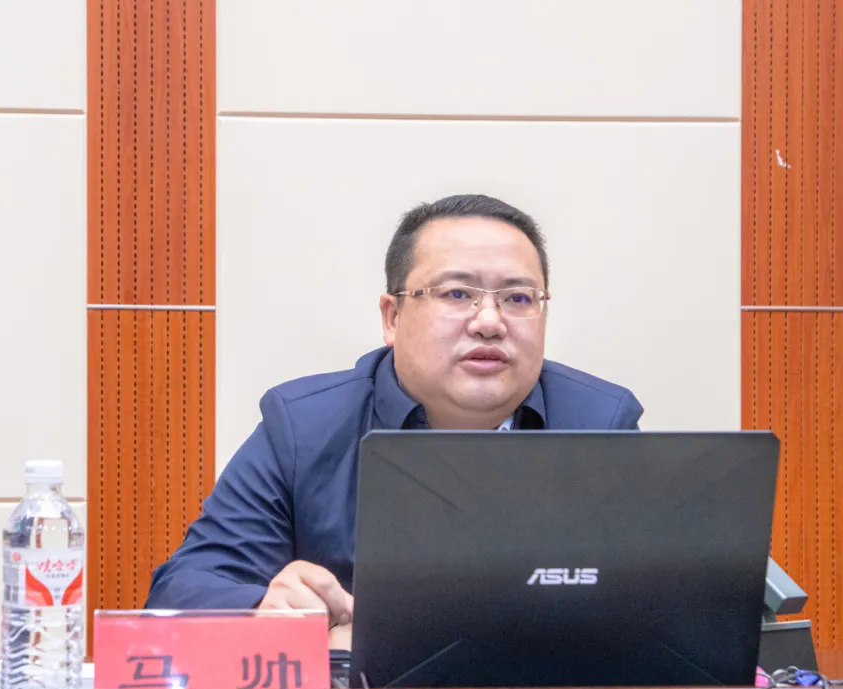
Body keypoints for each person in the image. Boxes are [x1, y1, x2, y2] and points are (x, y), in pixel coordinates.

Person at [144, 194, 643, 648]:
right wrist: (263, 608)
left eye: (518, 298)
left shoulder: (601, 425)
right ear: (392, 317)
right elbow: (182, 589)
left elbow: (660, 605)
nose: (490, 322)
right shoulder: (303, 426)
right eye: (456, 294)